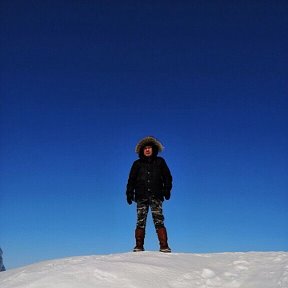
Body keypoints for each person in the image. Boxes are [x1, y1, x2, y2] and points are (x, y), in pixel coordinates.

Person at [126, 136, 173, 252]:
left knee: (159, 220)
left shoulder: (160, 162)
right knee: (140, 221)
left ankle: (164, 246)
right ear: (142, 150)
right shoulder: (137, 164)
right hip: (141, 197)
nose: (147, 150)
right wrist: (129, 193)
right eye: (145, 148)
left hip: (156, 196)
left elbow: (167, 177)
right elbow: (131, 180)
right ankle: (139, 246)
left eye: (149, 148)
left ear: (154, 149)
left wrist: (167, 190)